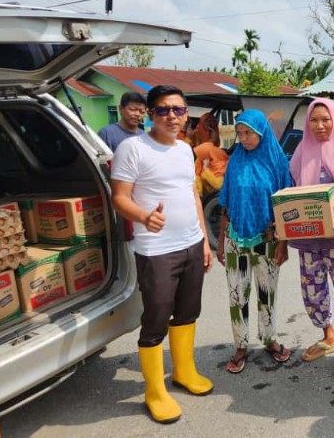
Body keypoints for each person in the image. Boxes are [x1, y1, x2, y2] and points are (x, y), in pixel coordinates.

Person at [110, 85, 214, 424]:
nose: (172, 116)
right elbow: (119, 197)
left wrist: (204, 240)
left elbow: (193, 196)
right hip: (156, 251)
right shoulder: (133, 148)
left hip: (191, 243)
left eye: (179, 110)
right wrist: (143, 217)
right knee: (156, 318)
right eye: (163, 110)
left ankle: (184, 372)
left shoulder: (186, 150)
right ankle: (155, 391)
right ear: (151, 114)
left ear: (187, 114)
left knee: (188, 311)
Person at [216, 109, 295, 373]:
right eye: (239, 133)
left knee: (266, 292)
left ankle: (269, 339)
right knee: (237, 294)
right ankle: (240, 345)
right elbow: (225, 203)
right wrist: (220, 240)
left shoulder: (277, 161)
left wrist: (283, 244)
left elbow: (285, 206)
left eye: (248, 132)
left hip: (267, 238)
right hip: (235, 239)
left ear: (261, 132)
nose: (243, 138)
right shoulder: (235, 160)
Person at [288, 98, 334, 378]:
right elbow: (292, 194)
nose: (320, 126)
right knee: (313, 291)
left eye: (325, 119)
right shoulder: (299, 154)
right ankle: (329, 336)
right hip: (308, 240)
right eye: (314, 120)